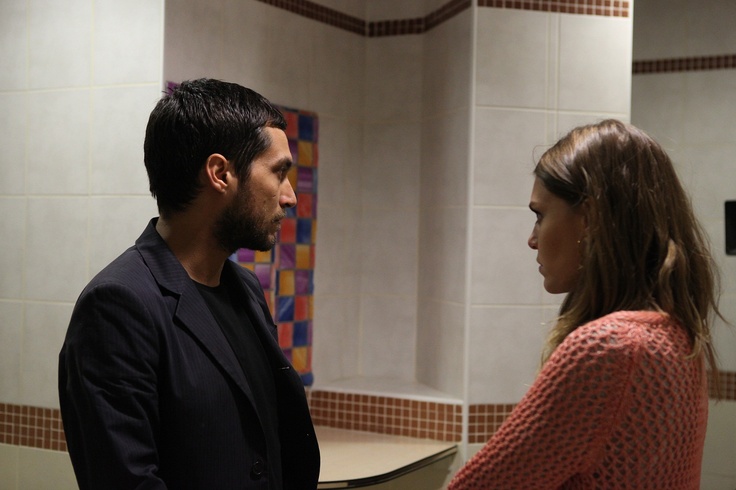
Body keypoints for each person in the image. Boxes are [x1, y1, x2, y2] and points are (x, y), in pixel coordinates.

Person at [58, 79, 320, 489]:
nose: (290, 197)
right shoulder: (118, 305)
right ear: (220, 173)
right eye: (278, 172)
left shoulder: (245, 288)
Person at [449, 119, 722, 489]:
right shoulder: (680, 336)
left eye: (540, 215)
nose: (532, 239)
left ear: (590, 219)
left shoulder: (609, 348)